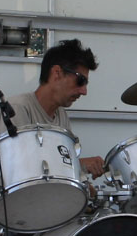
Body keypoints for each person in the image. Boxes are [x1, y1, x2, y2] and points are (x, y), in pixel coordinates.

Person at [6, 38, 106, 177]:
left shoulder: (61, 115)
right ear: (57, 73)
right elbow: (20, 171)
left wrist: (81, 182)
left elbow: (62, 169)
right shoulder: (17, 108)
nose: (84, 91)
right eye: (80, 81)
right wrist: (80, 164)